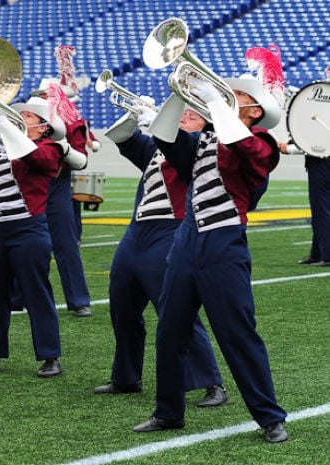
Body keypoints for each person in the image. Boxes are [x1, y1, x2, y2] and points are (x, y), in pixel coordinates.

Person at [133, 47, 288, 443]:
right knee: (170, 329)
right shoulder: (203, 138)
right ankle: (168, 412)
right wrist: (181, 92)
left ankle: (270, 417)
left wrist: (217, 100)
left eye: (237, 97)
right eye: (225, 94)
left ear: (254, 112)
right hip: (186, 241)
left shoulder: (262, 144)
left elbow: (241, 146)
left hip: (224, 244)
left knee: (237, 332)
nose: (224, 97)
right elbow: (165, 135)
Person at [95, 103, 226, 407]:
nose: (183, 118)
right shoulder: (159, 147)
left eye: (191, 117)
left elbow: (180, 154)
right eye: (182, 114)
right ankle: (126, 377)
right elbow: (121, 137)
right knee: (122, 307)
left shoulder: (199, 151)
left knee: (175, 309)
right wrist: (134, 112)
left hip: (171, 231)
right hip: (137, 231)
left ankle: (211, 382)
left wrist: (160, 124)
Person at [0, 96, 85, 377]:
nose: (20, 118)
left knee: (36, 292)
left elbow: (32, 157)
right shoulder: (3, 148)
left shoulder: (50, 148)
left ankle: (50, 355)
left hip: (29, 229)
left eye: (27, 116)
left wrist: (3, 123)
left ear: (43, 127)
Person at [30, 72, 93, 317]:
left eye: (50, 95)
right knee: (26, 242)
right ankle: (18, 296)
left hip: (57, 185)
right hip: (29, 182)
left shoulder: (73, 121)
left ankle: (79, 300)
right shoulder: (28, 120)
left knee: (66, 243)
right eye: (43, 95)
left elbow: (81, 159)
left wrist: (61, 143)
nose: (46, 99)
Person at [279, 64, 330, 266]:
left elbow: (314, 138)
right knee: (321, 208)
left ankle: (326, 254)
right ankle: (317, 252)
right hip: (320, 160)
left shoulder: (320, 99)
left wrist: (289, 149)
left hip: (321, 163)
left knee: (322, 209)